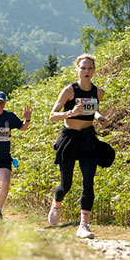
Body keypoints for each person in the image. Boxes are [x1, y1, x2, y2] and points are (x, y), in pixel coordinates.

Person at [48, 54, 110, 239]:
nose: (86, 71)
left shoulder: (98, 92)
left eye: (90, 68)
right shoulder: (69, 91)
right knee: (66, 184)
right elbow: (52, 115)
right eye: (83, 68)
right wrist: (70, 113)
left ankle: (84, 225)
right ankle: (57, 204)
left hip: (88, 139)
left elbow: (94, 110)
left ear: (94, 70)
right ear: (77, 69)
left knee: (88, 182)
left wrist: (100, 118)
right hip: (69, 139)